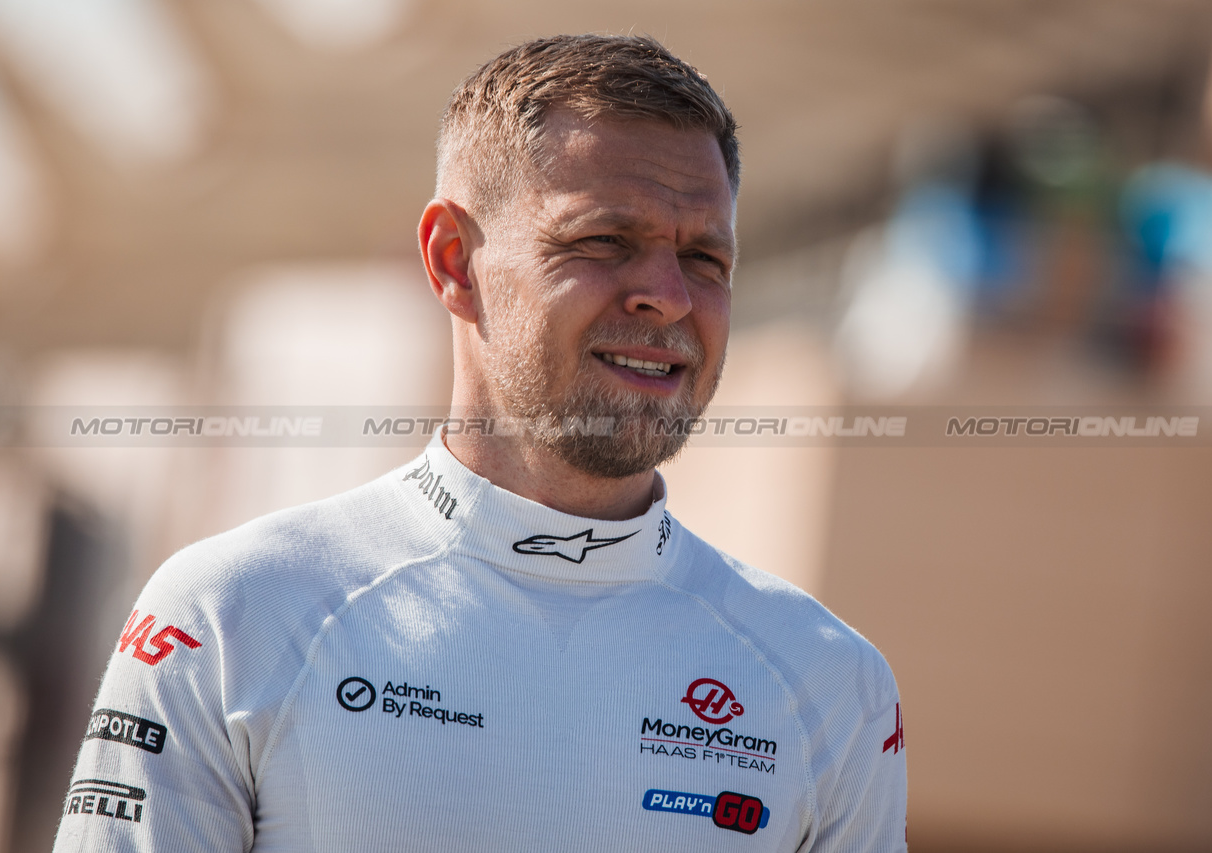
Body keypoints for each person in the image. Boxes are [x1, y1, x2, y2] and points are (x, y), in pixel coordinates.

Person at [54, 34, 906, 851]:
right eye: (606, 240)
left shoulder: (829, 682)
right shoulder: (229, 613)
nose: (669, 297)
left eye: (706, 258)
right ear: (455, 260)